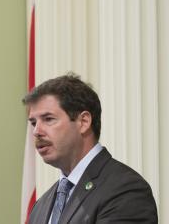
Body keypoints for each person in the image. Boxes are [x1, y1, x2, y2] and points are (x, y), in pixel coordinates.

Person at [23, 73, 157, 224]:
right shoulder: (41, 206)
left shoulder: (125, 190)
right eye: (34, 123)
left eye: (48, 119)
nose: (36, 131)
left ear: (84, 122)